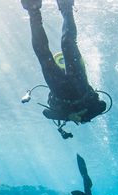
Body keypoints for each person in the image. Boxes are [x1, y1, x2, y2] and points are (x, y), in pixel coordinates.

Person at [20, 0, 108, 139]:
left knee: (42, 53)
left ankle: (33, 9)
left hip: (58, 90)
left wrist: (69, 116)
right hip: (79, 85)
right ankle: (66, 6)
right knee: (68, 43)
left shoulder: (65, 115)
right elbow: (102, 105)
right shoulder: (89, 112)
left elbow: (46, 113)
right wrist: (81, 116)